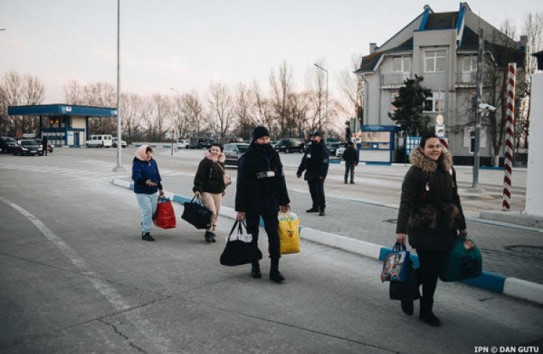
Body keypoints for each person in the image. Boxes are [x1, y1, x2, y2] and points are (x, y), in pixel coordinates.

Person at [395, 134, 467, 327]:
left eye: (438, 146)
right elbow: (406, 203)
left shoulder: (448, 169)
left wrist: (462, 225)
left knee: (432, 270)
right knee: (430, 271)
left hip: (445, 229)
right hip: (423, 229)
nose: (435, 149)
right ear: (422, 149)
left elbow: (455, 198)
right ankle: (426, 311)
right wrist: (401, 231)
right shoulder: (415, 172)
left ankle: (407, 291)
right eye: (430, 147)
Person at [235, 126, 290, 283]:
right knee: (253, 235)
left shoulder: (274, 155)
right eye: (262, 139)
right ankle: (255, 265)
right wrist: (240, 209)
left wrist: (284, 200)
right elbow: (242, 185)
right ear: (255, 140)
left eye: (267, 138)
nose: (265, 141)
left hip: (270, 201)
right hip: (252, 202)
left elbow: (280, 179)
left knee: (274, 235)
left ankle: (275, 270)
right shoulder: (247, 158)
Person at [193, 143, 227, 243]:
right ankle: (208, 232)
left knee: (217, 213)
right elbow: (199, 176)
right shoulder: (205, 162)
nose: (215, 152)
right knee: (212, 211)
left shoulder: (221, 162)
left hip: (218, 192)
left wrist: (223, 189)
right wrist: (197, 189)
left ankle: (212, 231)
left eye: (217, 150)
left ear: (221, 152)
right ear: (210, 150)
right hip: (206, 191)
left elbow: (222, 178)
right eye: (213, 150)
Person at [132, 145, 164, 242]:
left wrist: (160, 188)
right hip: (142, 191)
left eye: (150, 153)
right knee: (147, 211)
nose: (148, 155)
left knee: (153, 211)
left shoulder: (153, 162)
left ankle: (145, 223)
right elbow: (136, 176)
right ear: (142, 153)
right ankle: (145, 232)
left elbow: (157, 175)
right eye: (147, 153)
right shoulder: (137, 163)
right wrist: (145, 181)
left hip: (153, 191)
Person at [297, 131, 329, 216]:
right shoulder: (310, 148)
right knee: (312, 191)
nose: (313, 138)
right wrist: (300, 171)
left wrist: (322, 174)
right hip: (310, 173)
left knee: (319, 191)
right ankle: (315, 206)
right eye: (312, 137)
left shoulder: (323, 148)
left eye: (315, 137)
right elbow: (304, 160)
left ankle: (322, 208)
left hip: (319, 174)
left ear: (320, 138)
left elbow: (325, 162)